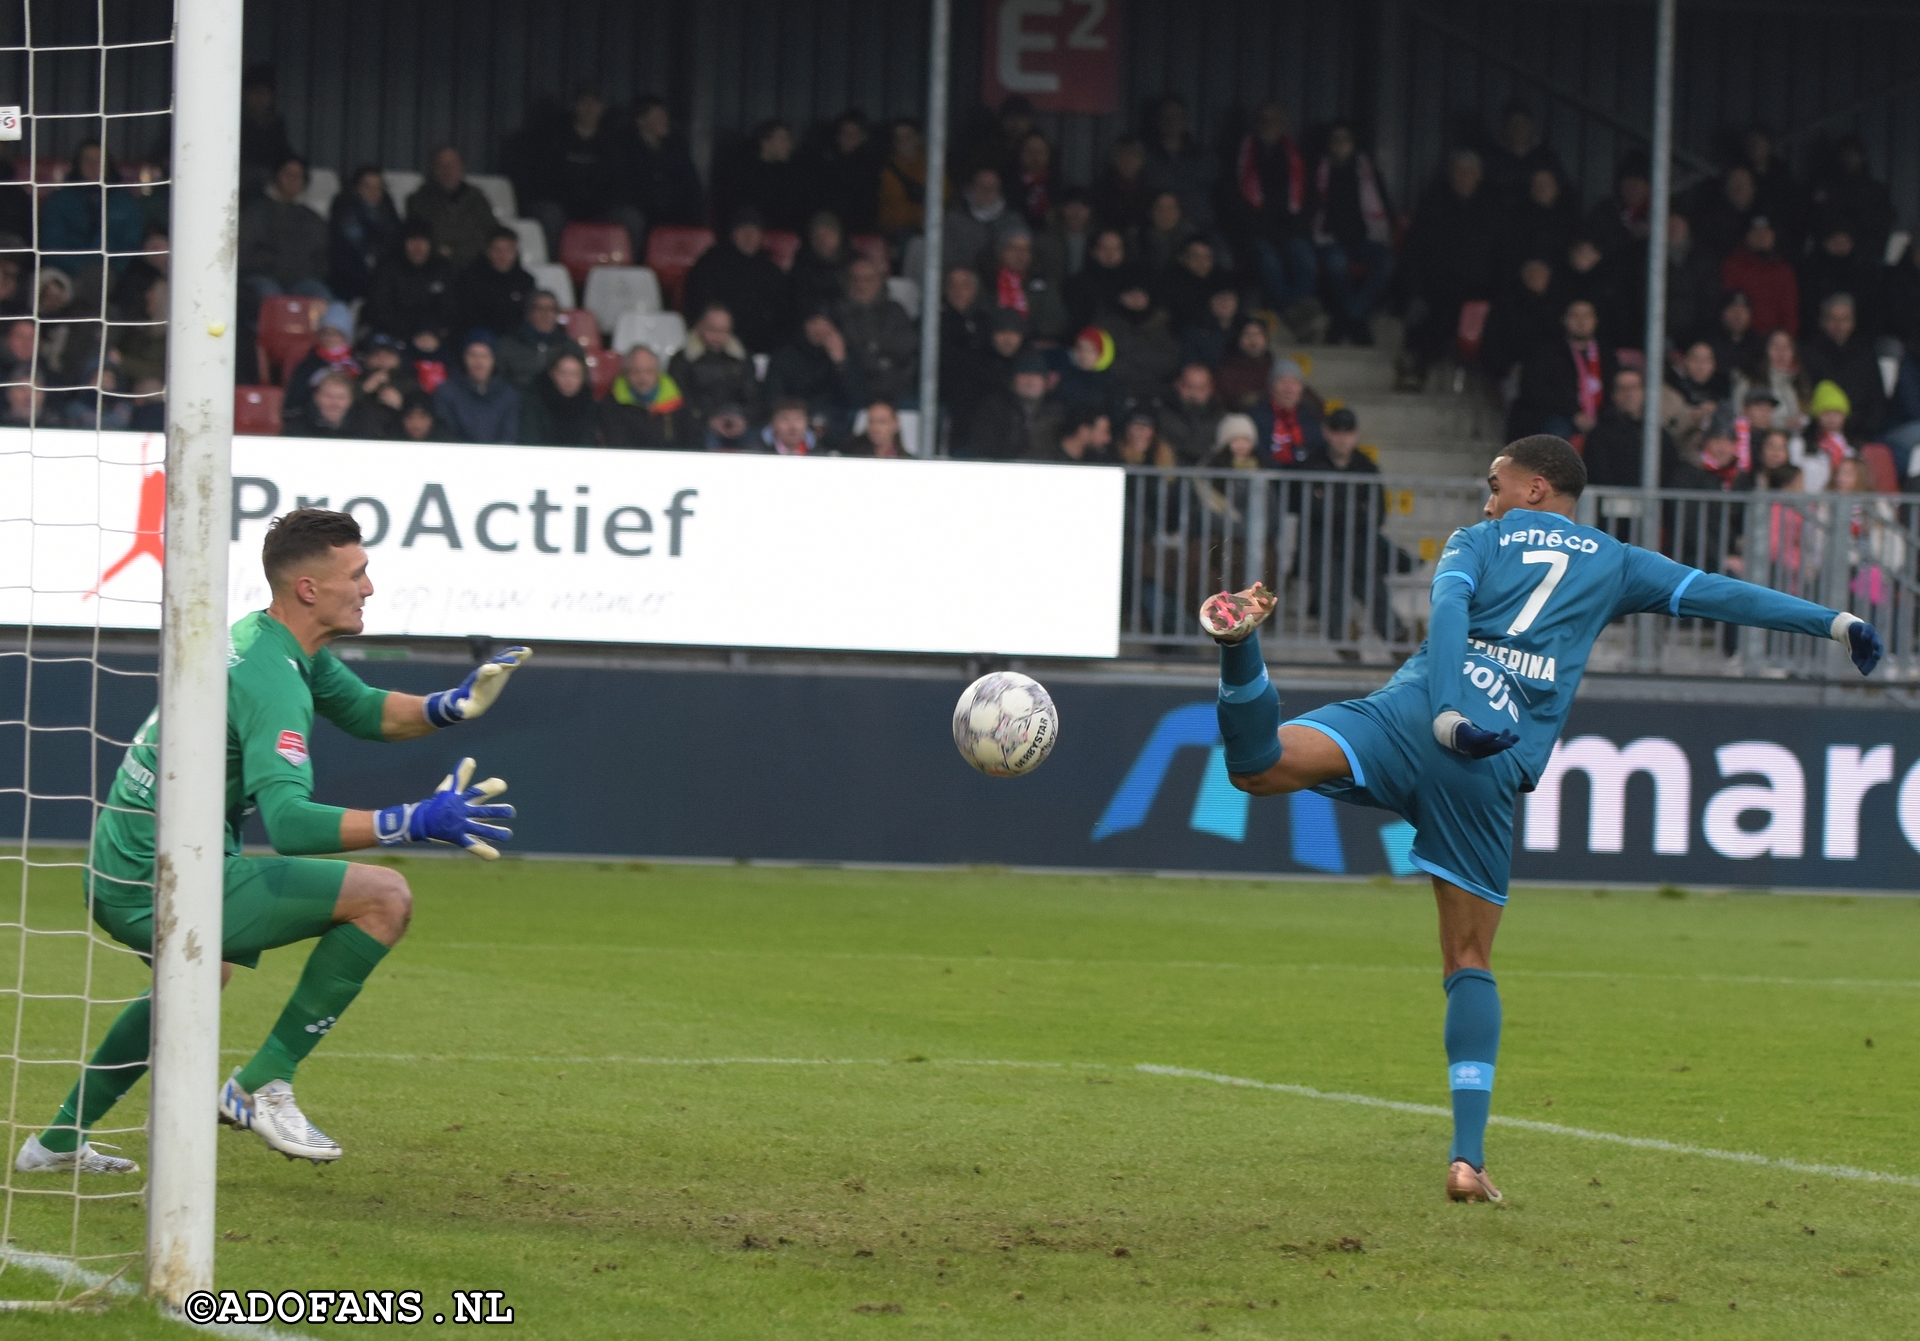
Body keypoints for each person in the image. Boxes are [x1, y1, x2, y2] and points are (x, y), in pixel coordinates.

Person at [1200, 435, 1884, 1205]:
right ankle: (1466, 1159)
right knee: (1467, 959)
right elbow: (1725, 593)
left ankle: (1238, 650)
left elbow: (1448, 612)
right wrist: (1833, 622)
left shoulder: (1476, 540)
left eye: (1494, 483)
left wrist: (1449, 705)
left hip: (1407, 717)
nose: (1484, 497)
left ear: (1535, 488)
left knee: (1257, 765)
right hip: (1480, 757)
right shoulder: (1616, 560)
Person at [13, 509, 528, 1173]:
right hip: (158, 879)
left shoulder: (270, 641)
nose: (369, 587)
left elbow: (368, 709)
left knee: (198, 979)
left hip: (125, 860)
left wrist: (451, 707)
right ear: (310, 589)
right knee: (385, 898)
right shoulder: (274, 678)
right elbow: (288, 823)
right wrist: (411, 820)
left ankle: (53, 1143)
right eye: (358, 573)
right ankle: (262, 1082)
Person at [1400, 150, 1500, 385]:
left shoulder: (1493, 208)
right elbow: (1414, 252)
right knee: (1429, 314)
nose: (1465, 177)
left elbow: (1501, 255)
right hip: (1439, 286)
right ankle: (1415, 368)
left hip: (1481, 288)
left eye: (1471, 172)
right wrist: (1415, 291)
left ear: (1480, 177)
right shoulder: (1433, 204)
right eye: (1460, 171)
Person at [525, 83, 642, 262]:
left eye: (595, 104)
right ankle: (556, 269)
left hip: (600, 210)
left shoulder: (614, 142)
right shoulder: (555, 138)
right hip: (563, 207)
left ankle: (623, 273)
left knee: (632, 219)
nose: (589, 109)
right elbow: (544, 180)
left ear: (602, 108)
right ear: (575, 106)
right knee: (549, 215)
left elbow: (620, 184)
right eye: (584, 103)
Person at [1310, 121, 1395, 345]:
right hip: (1331, 239)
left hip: (1363, 239)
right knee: (1336, 262)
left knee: (1388, 260)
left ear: (1353, 144)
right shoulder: (1318, 172)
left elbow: (1385, 206)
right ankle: (1357, 322)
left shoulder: (1367, 172)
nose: (1340, 145)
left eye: (1345, 139)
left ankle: (1347, 317)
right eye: (1335, 140)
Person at [1231, 101, 1314, 328]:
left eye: (1275, 119)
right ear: (1256, 124)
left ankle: (1294, 310)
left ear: (1285, 124)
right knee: (1268, 260)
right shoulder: (1241, 154)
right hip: (1254, 232)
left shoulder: (1296, 157)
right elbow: (1233, 203)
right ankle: (1293, 313)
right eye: (1264, 119)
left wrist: (1294, 230)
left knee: (1304, 255)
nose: (1270, 124)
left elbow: (1306, 202)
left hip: (1289, 231)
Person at [237, 155, 331, 335]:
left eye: (298, 176)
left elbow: (321, 258)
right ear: (276, 177)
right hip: (262, 278)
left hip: (301, 281)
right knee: (272, 298)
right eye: (288, 175)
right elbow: (244, 252)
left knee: (323, 298)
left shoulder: (312, 218)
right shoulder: (256, 212)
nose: (293, 181)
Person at [682, 208, 791, 355]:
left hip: (766, 349)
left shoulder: (772, 271)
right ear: (732, 234)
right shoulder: (710, 265)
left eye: (754, 231)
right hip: (718, 346)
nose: (749, 237)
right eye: (743, 231)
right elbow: (697, 306)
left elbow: (783, 315)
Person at [1509, 298, 1616, 441]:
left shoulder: (1607, 355)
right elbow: (1535, 391)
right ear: (1564, 320)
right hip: (1559, 416)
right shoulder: (1545, 352)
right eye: (1575, 315)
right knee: (1557, 432)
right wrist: (1574, 414)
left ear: (1596, 320)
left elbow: (1613, 391)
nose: (1581, 321)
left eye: (1587, 316)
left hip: (1599, 417)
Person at [766, 308, 865, 442]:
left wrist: (841, 363)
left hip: (835, 421)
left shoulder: (848, 355)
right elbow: (774, 396)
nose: (819, 328)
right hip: (793, 419)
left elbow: (857, 399)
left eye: (825, 323)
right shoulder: (785, 356)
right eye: (814, 322)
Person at [1800, 293, 1886, 441]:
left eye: (1845, 319)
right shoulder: (1809, 354)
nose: (1839, 325)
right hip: (1818, 435)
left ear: (1853, 322)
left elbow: (1876, 402)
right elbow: (1805, 397)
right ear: (1823, 321)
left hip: (1862, 435)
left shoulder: (1865, 355)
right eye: (1833, 318)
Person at [837, 256, 917, 406]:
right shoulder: (838, 313)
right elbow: (848, 355)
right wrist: (877, 355)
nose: (861, 284)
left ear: (879, 281)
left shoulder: (895, 311)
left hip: (895, 389)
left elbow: (906, 346)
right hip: (851, 391)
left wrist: (871, 349)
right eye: (855, 279)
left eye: (868, 279)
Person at [406, 145, 498, 270]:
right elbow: (419, 238)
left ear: (462, 167)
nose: (448, 170)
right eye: (442, 165)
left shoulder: (478, 199)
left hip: (476, 268)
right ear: (434, 169)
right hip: (434, 268)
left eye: (453, 165)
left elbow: (492, 233)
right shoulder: (419, 201)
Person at [1582, 366, 1674, 488]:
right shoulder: (1599, 435)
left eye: (1634, 388)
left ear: (1644, 393)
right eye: (1623, 389)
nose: (1629, 394)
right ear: (1614, 395)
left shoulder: (1659, 434)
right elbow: (1599, 476)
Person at [362, 221, 454, 343]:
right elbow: (379, 310)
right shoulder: (387, 269)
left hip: (434, 337)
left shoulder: (442, 269)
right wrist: (410, 333)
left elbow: (450, 308)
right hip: (395, 335)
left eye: (422, 241)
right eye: (412, 241)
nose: (418, 247)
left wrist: (433, 331)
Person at [667, 304, 759, 422]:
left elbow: (752, 399)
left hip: (738, 423)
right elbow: (680, 402)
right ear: (699, 326)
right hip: (698, 425)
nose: (718, 335)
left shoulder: (742, 358)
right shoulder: (683, 360)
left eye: (724, 330)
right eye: (712, 329)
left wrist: (742, 419)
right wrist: (709, 420)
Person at [1098, 271, 1180, 403]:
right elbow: (1103, 362)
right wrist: (1146, 358)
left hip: (1156, 391)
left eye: (1142, 293)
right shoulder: (1105, 324)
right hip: (1115, 391)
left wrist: (1131, 356)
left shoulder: (1162, 323)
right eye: (1131, 293)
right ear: (1120, 296)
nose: (1136, 298)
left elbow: (1171, 360)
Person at [626, 97, 706, 229]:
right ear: (640, 121)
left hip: (673, 213)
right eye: (657, 116)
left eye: (664, 115)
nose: (664, 120)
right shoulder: (626, 150)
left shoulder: (677, 148)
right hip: (642, 213)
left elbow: (692, 186)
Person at [964, 348, 1059, 461]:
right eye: (1024, 374)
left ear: (1045, 381)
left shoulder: (1057, 410)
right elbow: (982, 448)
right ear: (1013, 380)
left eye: (1036, 375)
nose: (1030, 381)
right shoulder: (995, 407)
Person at [327, 166, 403, 301]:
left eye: (378, 187)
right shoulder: (344, 215)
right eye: (367, 186)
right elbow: (341, 258)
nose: (373, 192)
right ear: (356, 188)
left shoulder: (390, 216)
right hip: (349, 281)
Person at [598, 344, 694, 448]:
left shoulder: (679, 402)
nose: (642, 378)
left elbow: (694, 443)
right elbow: (616, 445)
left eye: (649, 371)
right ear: (626, 373)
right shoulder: (610, 405)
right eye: (636, 371)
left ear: (658, 373)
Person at [432, 330, 519, 444]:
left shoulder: (508, 395)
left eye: (485, 356)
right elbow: (446, 434)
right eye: (473, 355)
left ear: (494, 360)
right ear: (463, 358)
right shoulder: (446, 392)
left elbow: (508, 436)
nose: (479, 362)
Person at [1720, 215, 1797, 337]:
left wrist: (1786, 339)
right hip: (1743, 339)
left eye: (1766, 232)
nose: (1761, 237)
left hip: (1774, 341)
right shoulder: (1733, 266)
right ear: (1747, 236)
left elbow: (1789, 312)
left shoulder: (1783, 271)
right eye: (1756, 232)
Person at [453, 226, 535, 340]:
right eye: (497, 250)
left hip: (516, 341)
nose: (502, 256)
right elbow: (466, 318)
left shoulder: (526, 281)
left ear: (515, 252)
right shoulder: (470, 278)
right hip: (480, 339)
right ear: (487, 251)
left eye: (508, 250)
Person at [724, 120, 806, 234]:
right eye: (783, 140)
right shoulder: (743, 172)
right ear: (765, 143)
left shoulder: (792, 174)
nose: (789, 146)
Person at [986, 229, 1068, 342]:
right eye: (1014, 248)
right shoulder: (988, 281)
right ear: (1001, 251)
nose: (1020, 254)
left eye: (1026, 249)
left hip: (1036, 345)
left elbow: (1055, 320)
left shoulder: (1043, 282)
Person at [809, 110, 882, 236]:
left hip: (859, 229)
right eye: (844, 133)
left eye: (853, 134)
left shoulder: (871, 166)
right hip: (827, 226)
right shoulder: (824, 162)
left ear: (863, 137)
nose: (848, 138)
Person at [494, 290, 583, 391]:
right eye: (540, 309)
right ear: (529, 313)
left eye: (551, 309)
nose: (545, 314)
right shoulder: (508, 346)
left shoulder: (571, 348)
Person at [943, 168, 1024, 272]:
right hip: (964, 279)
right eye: (982, 187)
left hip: (1004, 279)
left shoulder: (1013, 221)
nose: (987, 192)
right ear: (972, 188)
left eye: (992, 188)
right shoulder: (954, 221)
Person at [515, 350, 598, 446]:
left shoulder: (589, 403)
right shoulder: (535, 400)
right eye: (563, 373)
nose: (569, 379)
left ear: (583, 377)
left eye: (575, 374)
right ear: (553, 373)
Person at [1252, 357, 1324, 466]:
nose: (1289, 389)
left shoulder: (1312, 417)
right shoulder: (1258, 416)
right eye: (1283, 382)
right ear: (1272, 387)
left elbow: (1317, 451)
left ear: (1301, 388)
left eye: (1294, 383)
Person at [876, 119, 941, 238]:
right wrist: (921, 214)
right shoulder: (888, 172)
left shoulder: (934, 164)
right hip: (902, 232)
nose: (903, 142)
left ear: (919, 138)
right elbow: (895, 213)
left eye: (908, 137)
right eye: (899, 138)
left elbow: (944, 199)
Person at [1156, 362, 1225, 466]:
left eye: (1201, 388)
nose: (1194, 393)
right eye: (1189, 386)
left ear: (1210, 389)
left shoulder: (1221, 417)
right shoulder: (1161, 414)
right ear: (1178, 385)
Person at [282, 368, 379, 439]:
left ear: (350, 400)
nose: (334, 403)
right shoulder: (296, 426)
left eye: (341, 397)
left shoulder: (367, 425)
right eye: (328, 396)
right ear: (316, 397)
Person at [790, 211, 852, 317]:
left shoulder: (855, 263)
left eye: (828, 234)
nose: (823, 240)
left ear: (838, 236)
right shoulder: (802, 266)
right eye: (818, 236)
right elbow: (798, 301)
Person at [1216, 315, 1274, 411]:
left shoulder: (1276, 368)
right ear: (1239, 339)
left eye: (1258, 334)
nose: (1253, 339)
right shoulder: (1227, 370)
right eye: (1247, 334)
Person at [1033, 403, 1112, 463]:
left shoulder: (1096, 462)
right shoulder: (1045, 460)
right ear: (1083, 431)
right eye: (1104, 432)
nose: (1107, 439)